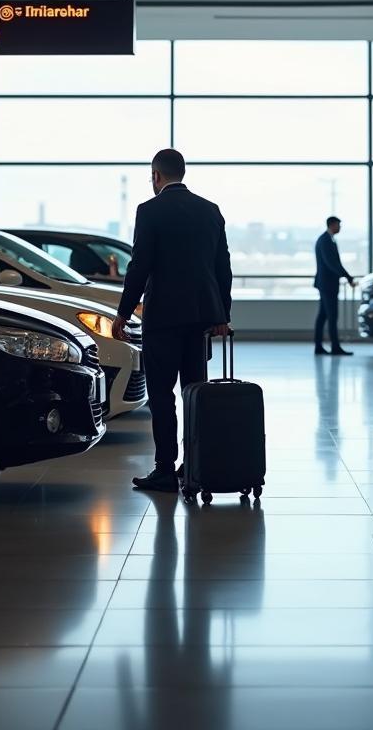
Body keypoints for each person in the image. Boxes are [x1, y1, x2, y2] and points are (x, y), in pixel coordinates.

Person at [113, 149, 232, 493]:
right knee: (195, 392)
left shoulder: (149, 211)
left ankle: (165, 468)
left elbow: (140, 265)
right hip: (200, 321)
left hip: (163, 318)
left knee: (162, 395)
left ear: (156, 175)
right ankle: (196, 465)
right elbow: (222, 266)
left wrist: (123, 312)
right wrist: (222, 315)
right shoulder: (210, 210)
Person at [313, 216, 355, 356]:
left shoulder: (328, 239)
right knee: (331, 316)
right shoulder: (325, 240)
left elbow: (334, 263)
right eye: (338, 225)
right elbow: (332, 263)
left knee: (324, 316)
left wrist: (346, 275)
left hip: (326, 284)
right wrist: (347, 276)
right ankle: (334, 347)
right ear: (332, 225)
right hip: (327, 284)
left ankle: (319, 346)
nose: (340, 228)